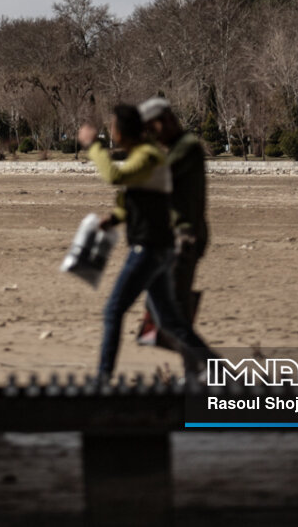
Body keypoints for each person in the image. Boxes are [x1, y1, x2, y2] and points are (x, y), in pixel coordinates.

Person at [79, 102, 213, 381]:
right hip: (159, 246)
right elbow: (141, 195)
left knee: (114, 310)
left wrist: (93, 147)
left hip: (151, 247)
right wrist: (114, 219)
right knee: (170, 321)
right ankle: (220, 374)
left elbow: (114, 175)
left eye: (113, 126)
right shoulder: (146, 154)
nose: (111, 131)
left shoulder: (150, 155)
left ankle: (102, 380)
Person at [137, 97, 210, 348]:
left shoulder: (187, 147)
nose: (151, 134)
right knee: (171, 312)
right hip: (177, 237)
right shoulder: (179, 147)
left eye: (151, 128)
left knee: (174, 315)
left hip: (185, 238)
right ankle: (196, 371)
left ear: (165, 121)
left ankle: (205, 371)